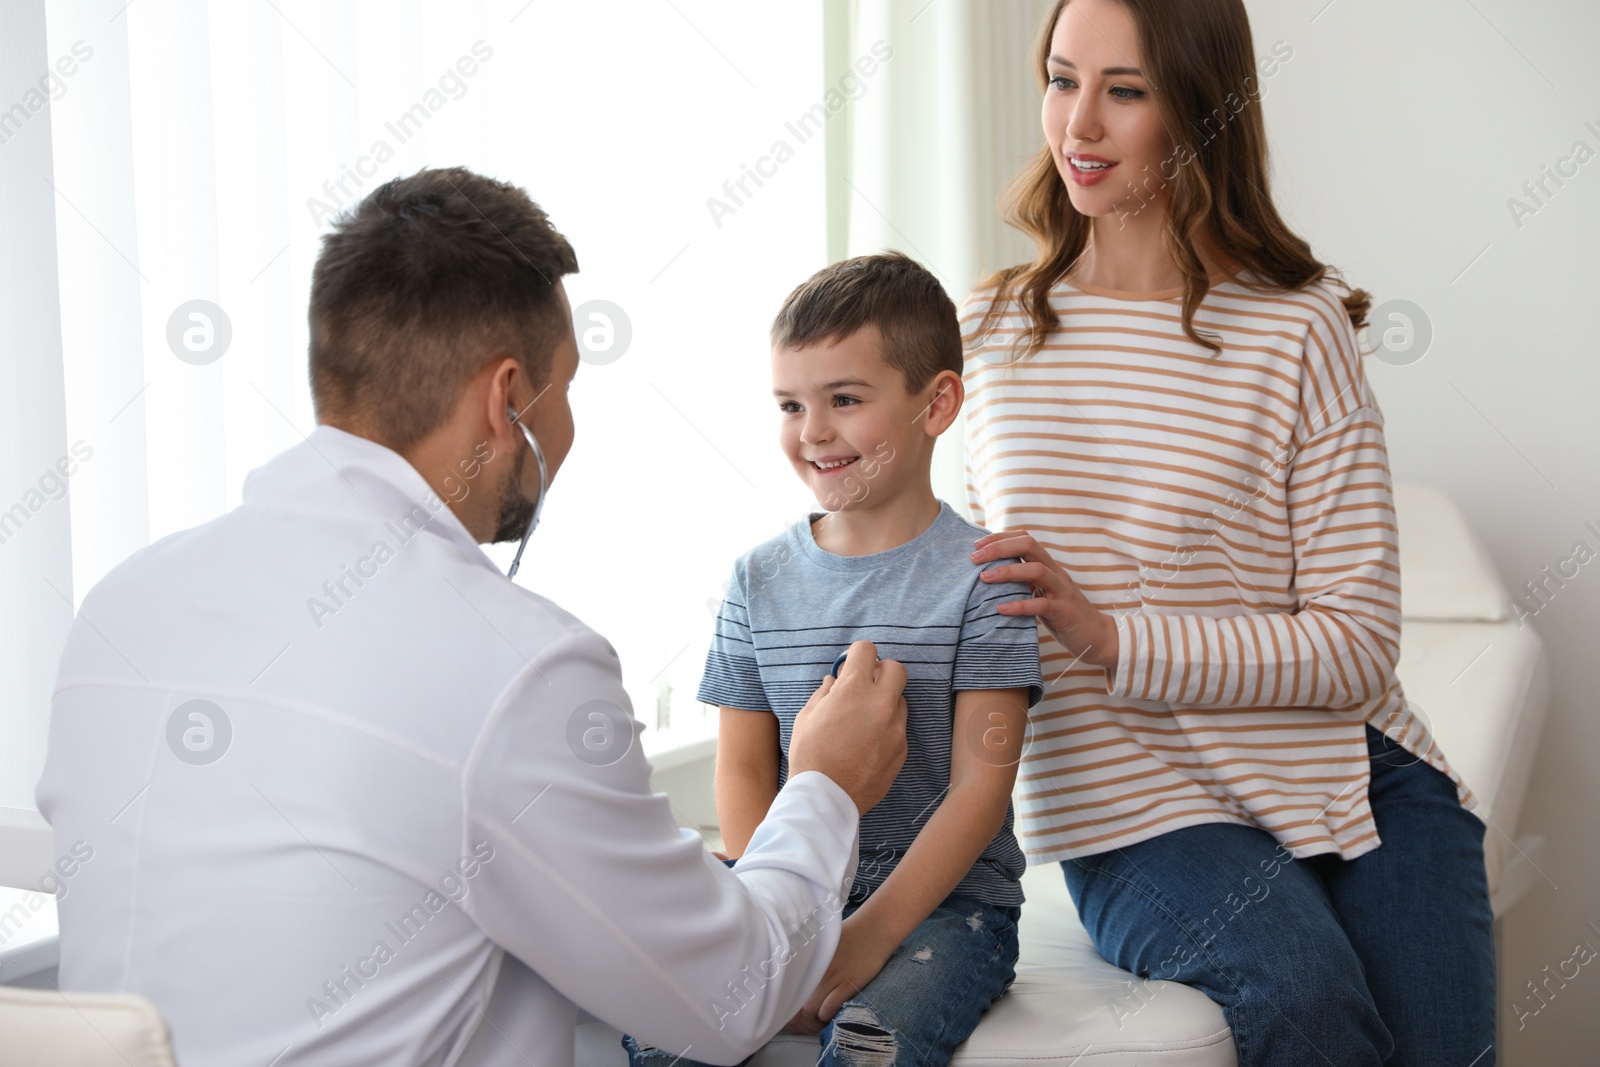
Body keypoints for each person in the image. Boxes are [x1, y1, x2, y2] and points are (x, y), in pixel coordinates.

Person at [34, 167, 913, 1067]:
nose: (567, 425)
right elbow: (731, 994)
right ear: (506, 401)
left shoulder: (120, 605)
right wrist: (828, 784)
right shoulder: (517, 668)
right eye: (563, 387)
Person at [959, 2, 1495, 1065]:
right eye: (1063, 79)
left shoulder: (1298, 329)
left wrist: (1115, 635)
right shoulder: (987, 333)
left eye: (1126, 90)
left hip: (1357, 774)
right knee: (1297, 994)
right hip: (1126, 799)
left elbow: (1353, 644)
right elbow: (943, 586)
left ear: (1201, 109)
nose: (1079, 126)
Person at [625, 253, 1045, 1067]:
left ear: (938, 402)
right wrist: (767, 922)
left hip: (944, 908)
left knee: (869, 1045)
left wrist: (863, 939)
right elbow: (745, 771)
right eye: (790, 404)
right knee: (661, 1024)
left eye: (844, 400)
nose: (811, 431)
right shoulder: (757, 579)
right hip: (794, 885)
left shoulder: (987, 579)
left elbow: (981, 790)